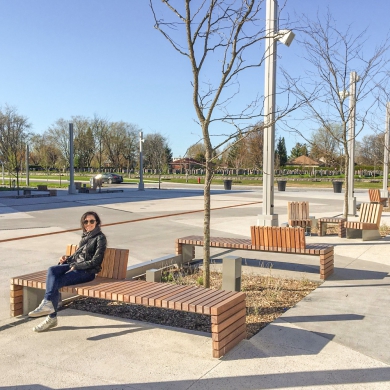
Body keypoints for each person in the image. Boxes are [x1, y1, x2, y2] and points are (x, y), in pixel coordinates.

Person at [29, 211, 107, 332]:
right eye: (86, 221)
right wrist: (67, 258)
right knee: (52, 270)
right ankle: (47, 304)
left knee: (57, 281)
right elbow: (78, 255)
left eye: (92, 221)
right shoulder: (85, 236)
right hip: (74, 266)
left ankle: (51, 317)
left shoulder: (100, 238)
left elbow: (96, 261)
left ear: (97, 222)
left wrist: (77, 266)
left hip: (87, 272)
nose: (89, 223)